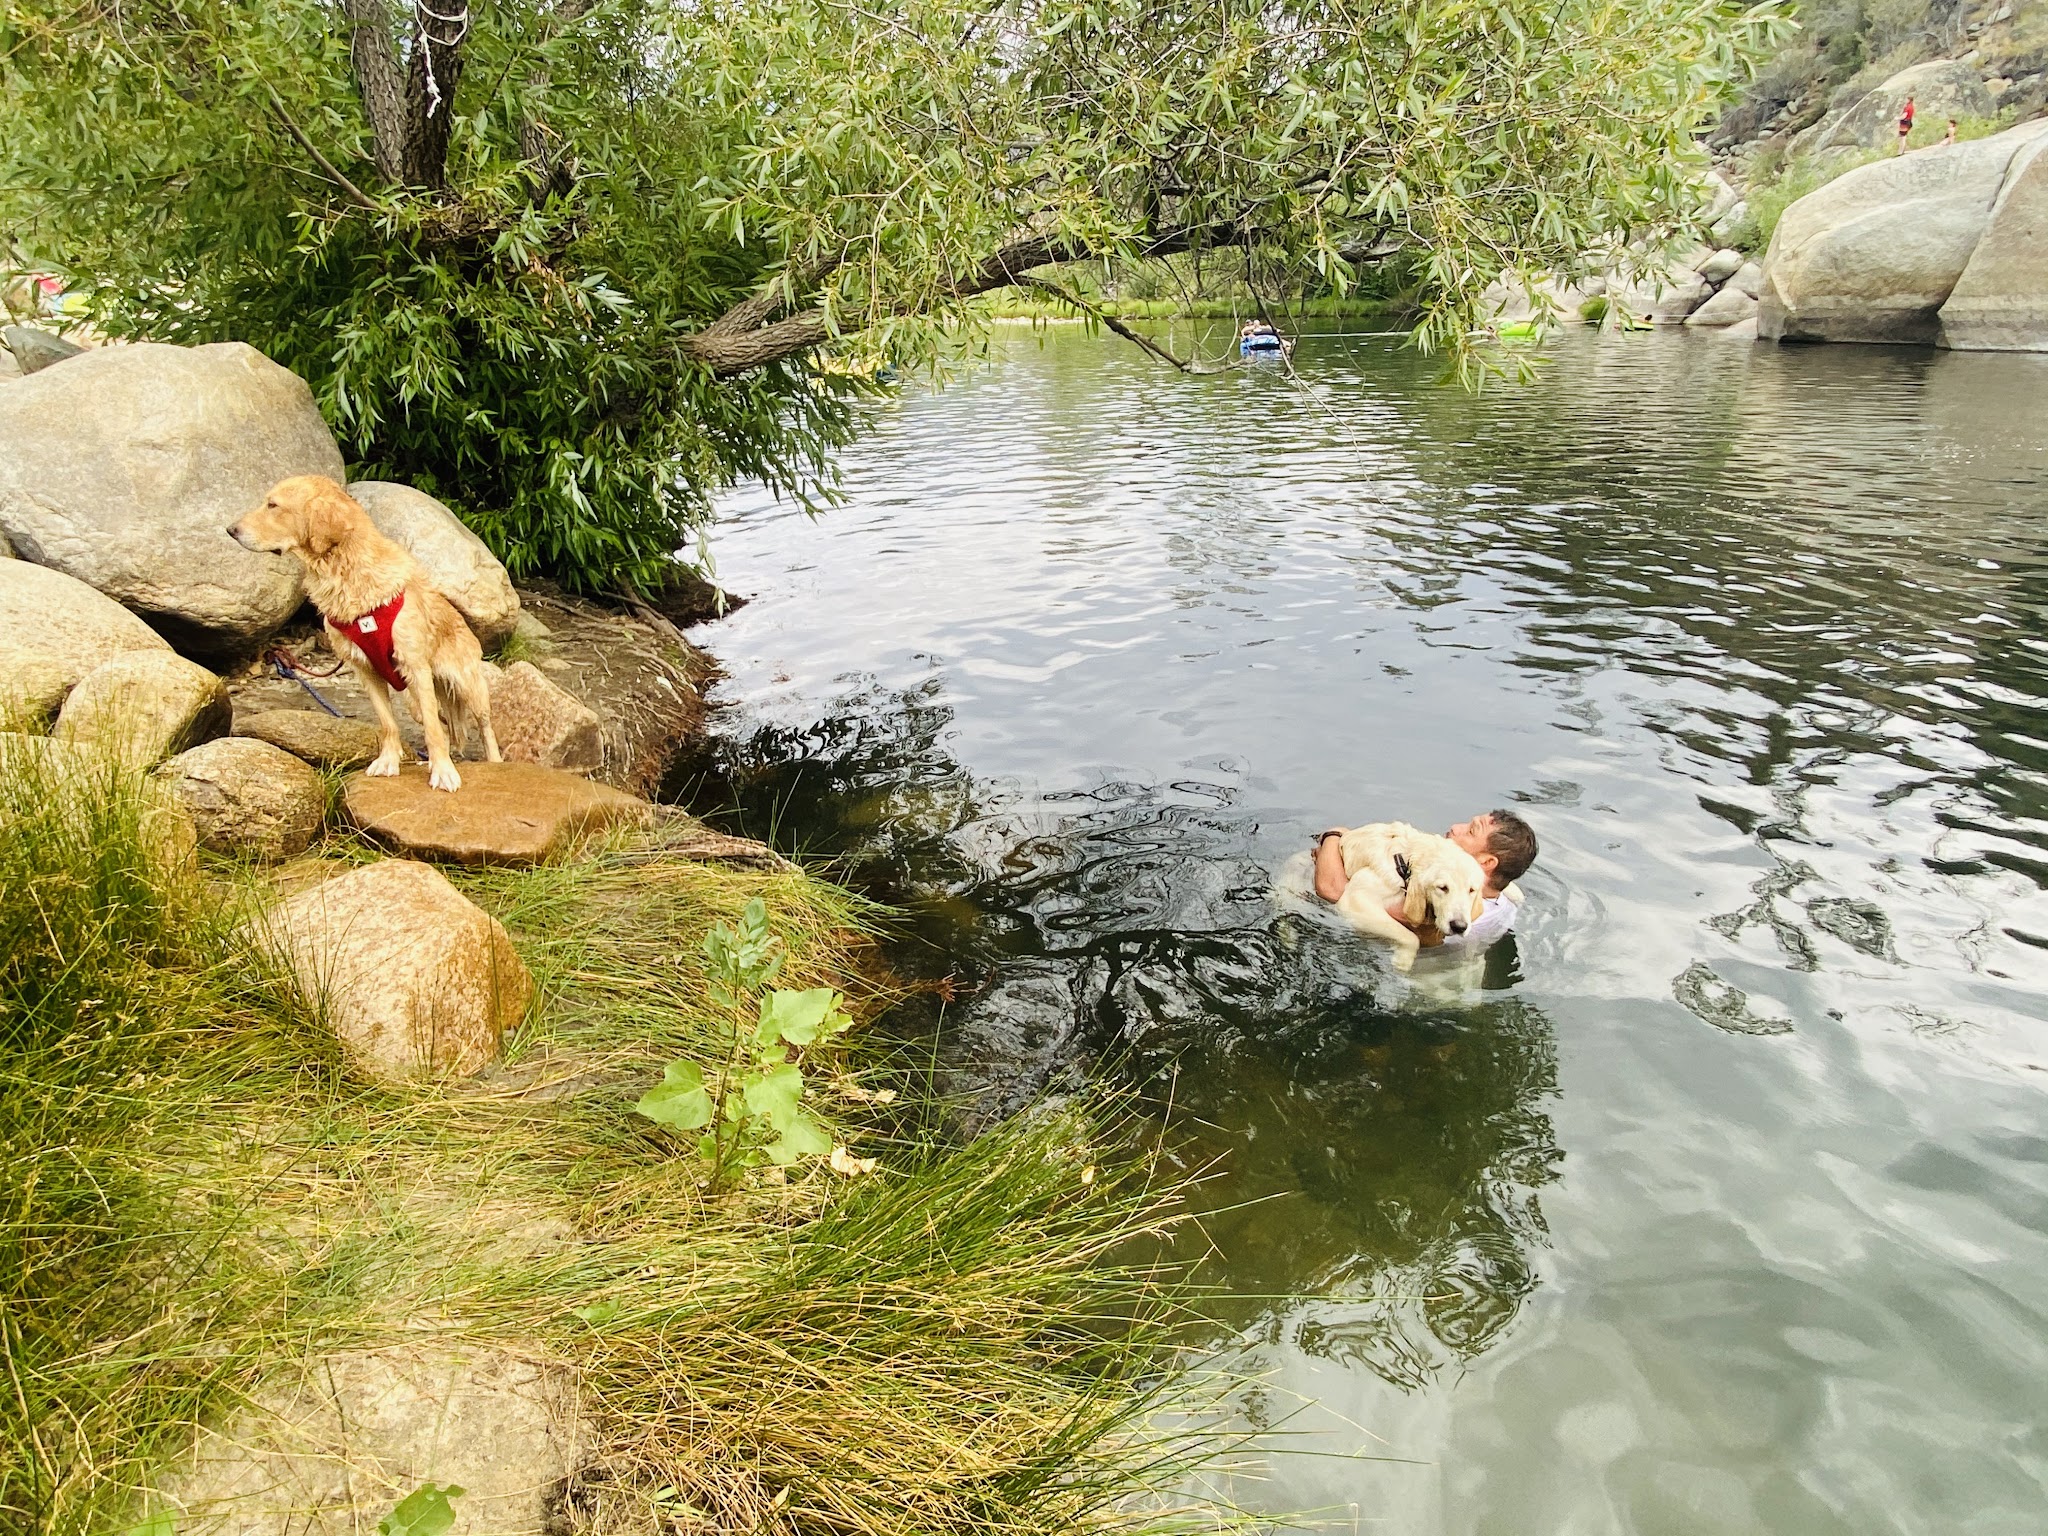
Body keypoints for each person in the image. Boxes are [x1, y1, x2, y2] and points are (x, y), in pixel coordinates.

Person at [1312, 809, 1539, 947]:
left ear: (1487, 863)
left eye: (1470, 831)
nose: (1456, 828)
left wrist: (1333, 838)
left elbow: (1334, 890)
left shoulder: (1447, 910)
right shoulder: (1503, 901)